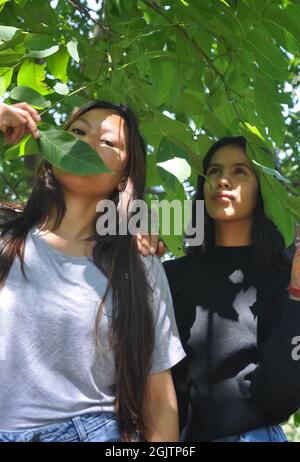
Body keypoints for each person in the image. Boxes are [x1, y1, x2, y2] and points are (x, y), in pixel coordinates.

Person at [0, 100, 185, 442]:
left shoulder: (138, 266)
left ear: (124, 176)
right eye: (77, 131)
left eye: (108, 141)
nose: (85, 142)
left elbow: (158, 400)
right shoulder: (6, 236)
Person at [163, 136, 300, 442]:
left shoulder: (284, 278)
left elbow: (284, 394)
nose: (223, 180)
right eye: (214, 171)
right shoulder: (170, 275)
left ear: (264, 187)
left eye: (240, 171)